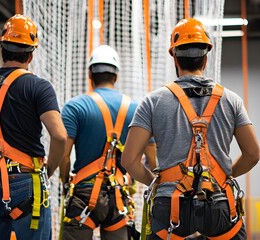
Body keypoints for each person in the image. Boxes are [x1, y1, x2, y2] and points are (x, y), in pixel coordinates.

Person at [121, 18, 260, 239]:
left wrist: (155, 182)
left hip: (170, 205)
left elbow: (128, 160)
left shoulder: (153, 101)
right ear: (205, 59)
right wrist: (224, 174)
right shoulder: (231, 100)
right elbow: (253, 154)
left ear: (174, 57)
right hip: (219, 200)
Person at [0, 14, 67, 240]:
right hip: (26, 183)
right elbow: (59, 136)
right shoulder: (38, 87)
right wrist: (48, 171)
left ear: (2, 48)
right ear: (31, 54)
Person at [59, 44, 156, 240]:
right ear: (116, 76)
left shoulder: (75, 107)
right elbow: (153, 160)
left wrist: (65, 180)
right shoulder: (137, 109)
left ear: (90, 74)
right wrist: (132, 178)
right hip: (118, 196)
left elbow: (64, 155)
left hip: (83, 194)